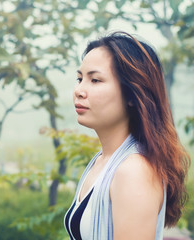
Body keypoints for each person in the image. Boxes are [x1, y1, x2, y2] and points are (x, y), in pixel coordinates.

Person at [64, 31, 190, 240]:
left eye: (95, 80)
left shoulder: (134, 171)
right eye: (79, 78)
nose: (79, 90)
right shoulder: (101, 161)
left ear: (133, 94)